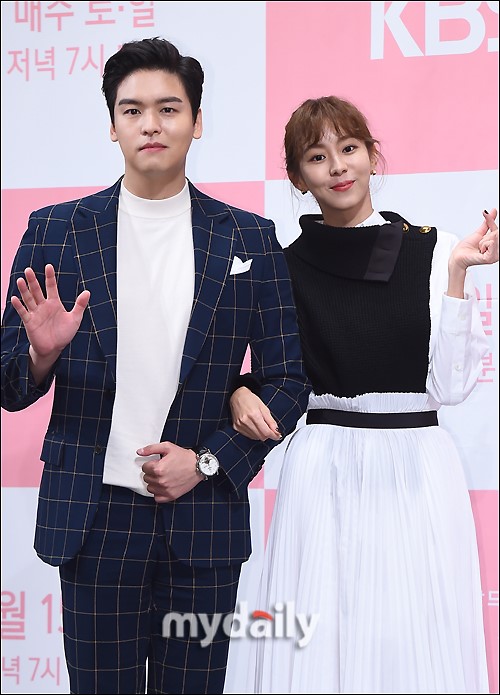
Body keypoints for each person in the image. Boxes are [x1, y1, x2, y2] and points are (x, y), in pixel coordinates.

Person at [0, 37, 310, 695]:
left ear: (197, 122)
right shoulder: (56, 231)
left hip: (203, 517)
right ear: (111, 125)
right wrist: (41, 353)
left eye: (169, 109)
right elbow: (8, 382)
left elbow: (287, 381)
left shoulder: (249, 238)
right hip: (95, 518)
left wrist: (207, 461)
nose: (151, 124)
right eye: (132, 110)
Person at [228, 95, 498, 694]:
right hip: (322, 465)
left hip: (417, 466)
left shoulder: (436, 250)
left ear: (373, 156)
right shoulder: (282, 267)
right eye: (317, 156)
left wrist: (458, 276)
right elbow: (268, 371)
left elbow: (451, 387)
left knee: (413, 634)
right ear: (298, 177)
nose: (338, 166)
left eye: (349, 148)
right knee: (322, 636)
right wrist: (236, 394)